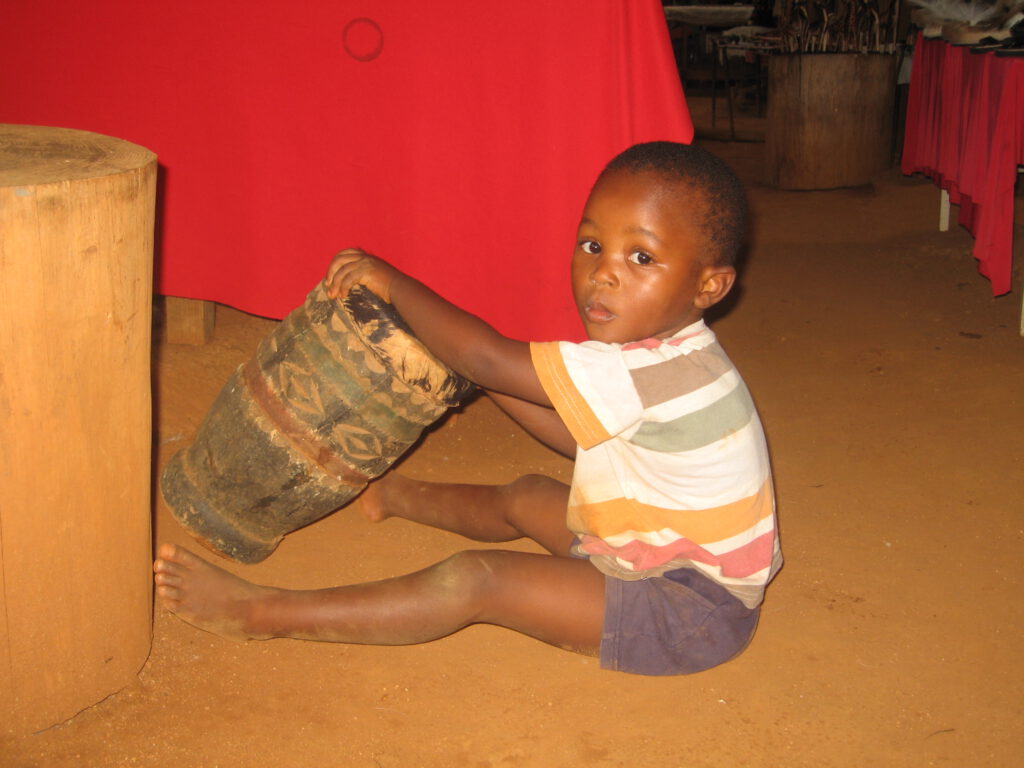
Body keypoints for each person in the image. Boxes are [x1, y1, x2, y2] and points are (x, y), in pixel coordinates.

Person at [154, 141, 782, 676]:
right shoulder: (676, 353)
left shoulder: (644, 369)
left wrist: (393, 283)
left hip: (686, 610)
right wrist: (472, 374)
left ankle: (257, 612)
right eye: (592, 246)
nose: (604, 274)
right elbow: (578, 437)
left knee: (478, 580)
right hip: (649, 547)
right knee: (528, 493)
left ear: (710, 285)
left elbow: (485, 356)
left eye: (640, 257)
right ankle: (395, 497)